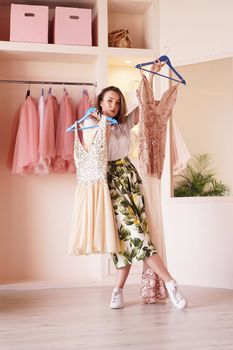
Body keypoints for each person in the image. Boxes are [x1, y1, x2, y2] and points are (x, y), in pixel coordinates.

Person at [90, 65, 187, 311]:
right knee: (133, 235)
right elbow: (95, 152)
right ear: (100, 102)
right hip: (109, 183)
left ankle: (117, 291)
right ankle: (171, 282)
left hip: (130, 180)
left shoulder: (123, 124)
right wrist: (102, 123)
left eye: (117, 102)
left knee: (130, 237)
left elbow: (146, 107)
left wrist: (151, 76)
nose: (113, 105)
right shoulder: (92, 124)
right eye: (109, 100)